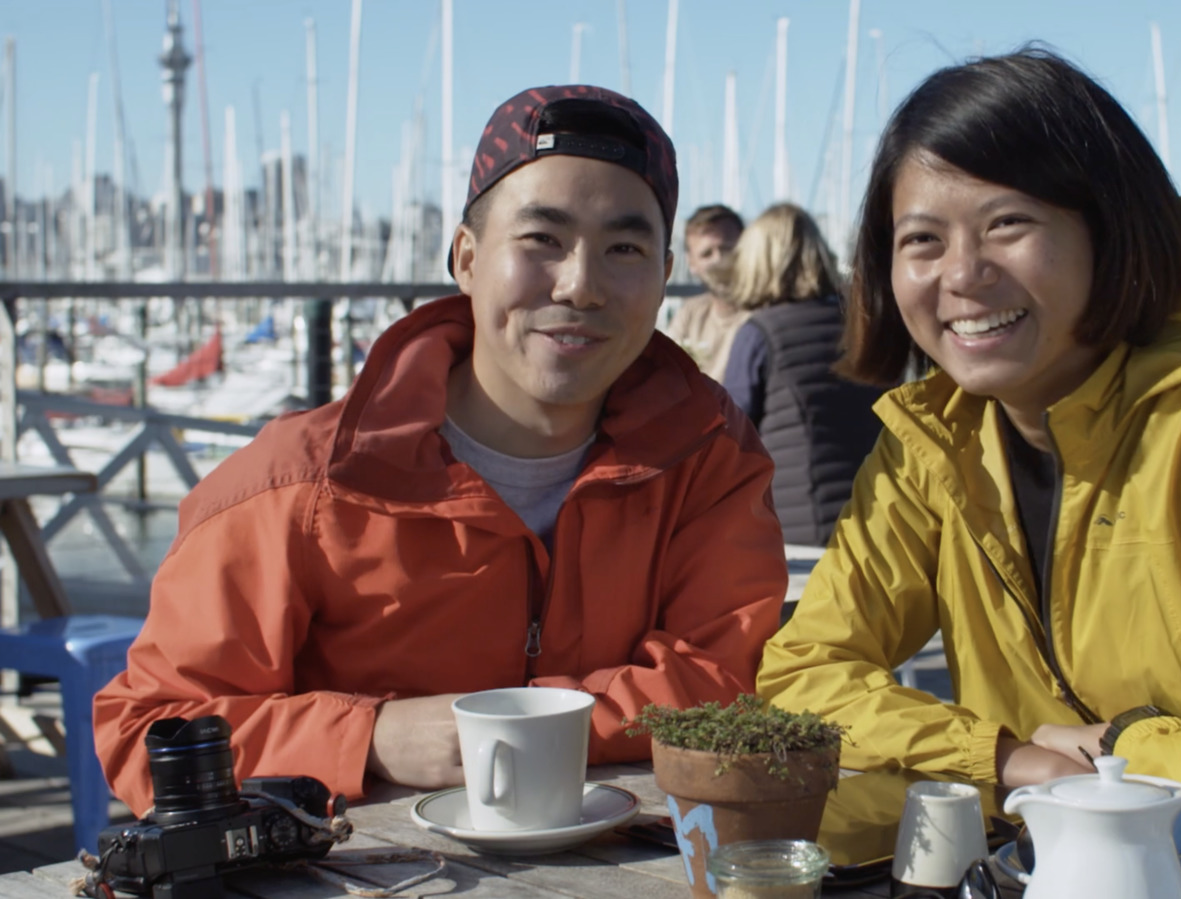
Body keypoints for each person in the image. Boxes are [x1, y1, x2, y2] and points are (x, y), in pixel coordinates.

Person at [757, 48, 1181, 880]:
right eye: (922, 239)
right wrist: (1007, 757)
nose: (962, 273)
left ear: (1108, 226)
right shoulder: (935, 442)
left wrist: (1120, 746)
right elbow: (803, 672)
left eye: (1008, 224)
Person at [94, 84, 787, 817]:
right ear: (465, 257)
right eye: (541, 240)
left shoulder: (708, 456)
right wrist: (369, 735)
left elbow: (725, 675)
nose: (581, 285)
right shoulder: (297, 485)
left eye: (624, 248)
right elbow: (145, 731)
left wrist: (503, 723)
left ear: (663, 276)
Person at [719, 203, 883, 546]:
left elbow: (726, 437)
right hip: (881, 516)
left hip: (800, 528)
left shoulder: (760, 334)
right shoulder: (864, 324)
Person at [665, 204, 747, 381]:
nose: (718, 260)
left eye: (727, 249)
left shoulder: (764, 314)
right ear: (691, 263)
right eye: (706, 254)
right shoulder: (690, 313)